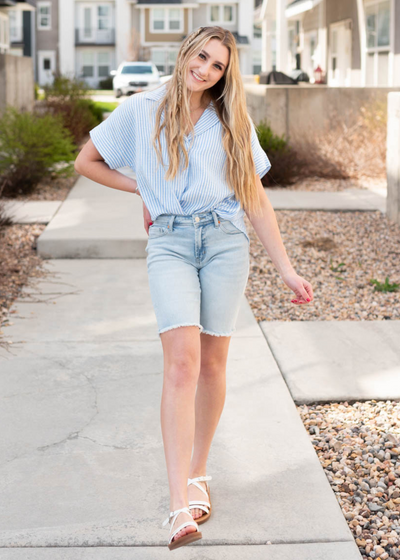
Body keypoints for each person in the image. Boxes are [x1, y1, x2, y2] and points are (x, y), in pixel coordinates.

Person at [75, 25, 314, 551]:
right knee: (181, 362)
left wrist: (287, 269)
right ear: (185, 53)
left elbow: (255, 201)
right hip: (170, 243)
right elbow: (85, 162)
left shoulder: (232, 122)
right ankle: (177, 503)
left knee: (212, 364)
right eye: (200, 57)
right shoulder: (141, 110)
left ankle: (199, 472)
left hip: (226, 242)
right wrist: (143, 184)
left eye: (217, 66)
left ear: (225, 75)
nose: (204, 69)